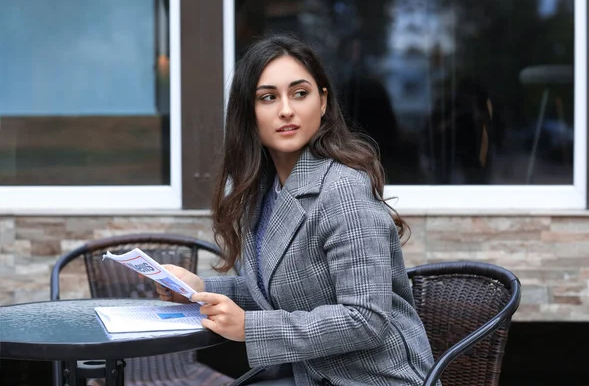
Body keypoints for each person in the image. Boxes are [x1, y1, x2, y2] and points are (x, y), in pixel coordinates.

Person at [155, 34, 437, 386]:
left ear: (322, 102)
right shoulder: (265, 189)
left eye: (299, 93)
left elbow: (367, 319)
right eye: (268, 97)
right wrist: (200, 289)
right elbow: (283, 291)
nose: (286, 109)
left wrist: (250, 328)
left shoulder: (343, 189)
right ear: (249, 113)